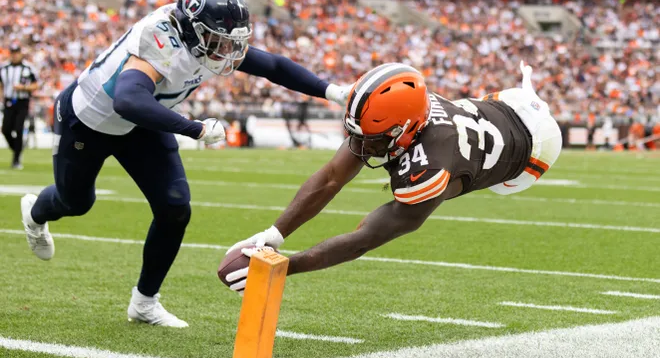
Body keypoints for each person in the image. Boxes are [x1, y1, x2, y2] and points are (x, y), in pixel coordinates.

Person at [19, 0, 350, 327]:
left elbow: (273, 66)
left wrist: (334, 92)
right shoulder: (162, 38)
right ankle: (35, 214)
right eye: (218, 40)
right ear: (192, 29)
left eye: (231, 41)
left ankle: (144, 302)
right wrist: (195, 128)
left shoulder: (201, 38)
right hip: (89, 121)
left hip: (142, 122)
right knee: (76, 203)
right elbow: (128, 99)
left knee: (175, 207)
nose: (227, 50)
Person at [223, 62, 562, 293]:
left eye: (372, 135)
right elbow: (330, 178)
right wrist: (273, 235)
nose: (360, 143)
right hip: (506, 103)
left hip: (535, 147)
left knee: (497, 186)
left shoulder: (429, 168)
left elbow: (363, 239)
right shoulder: (401, 113)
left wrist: (282, 267)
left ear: (406, 128)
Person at [0, 43, 39, 169]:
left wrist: (23, 88)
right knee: (5, 129)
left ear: (21, 53)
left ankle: (16, 159)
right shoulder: (4, 68)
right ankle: (18, 149)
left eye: (17, 52)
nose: (15, 55)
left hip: (22, 102)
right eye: (12, 52)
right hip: (8, 101)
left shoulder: (28, 68)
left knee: (18, 129)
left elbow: (35, 85)